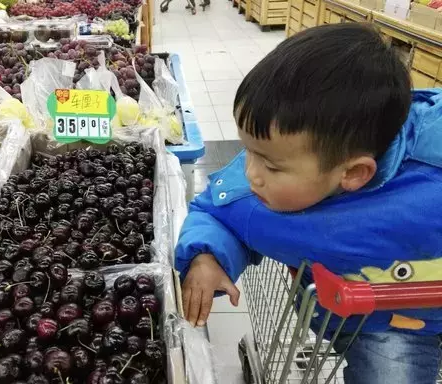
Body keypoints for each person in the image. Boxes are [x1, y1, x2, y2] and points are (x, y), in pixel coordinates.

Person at [175, 22, 442, 384]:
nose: (252, 174)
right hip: (355, 317)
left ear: (353, 173)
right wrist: (206, 256)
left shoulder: (429, 184)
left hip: (417, 313)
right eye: (247, 151)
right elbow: (216, 210)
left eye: (268, 163)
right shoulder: (265, 177)